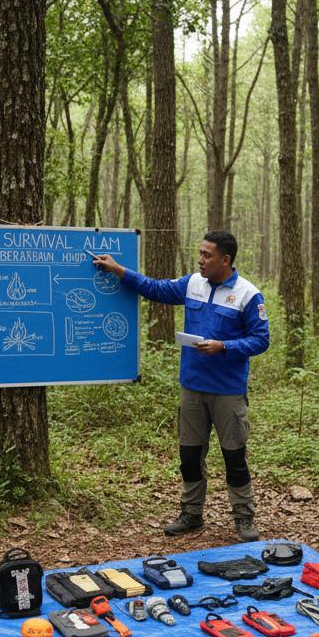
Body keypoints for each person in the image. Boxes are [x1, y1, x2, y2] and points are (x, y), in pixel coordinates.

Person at [93, 232, 269, 542]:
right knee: (189, 455)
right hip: (191, 387)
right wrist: (120, 271)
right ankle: (191, 513)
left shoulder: (247, 294)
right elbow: (156, 289)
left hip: (228, 392)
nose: (200, 260)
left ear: (225, 260)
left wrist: (224, 346)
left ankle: (244, 518)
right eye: (200, 253)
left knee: (234, 457)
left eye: (207, 255)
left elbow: (261, 340)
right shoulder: (192, 284)